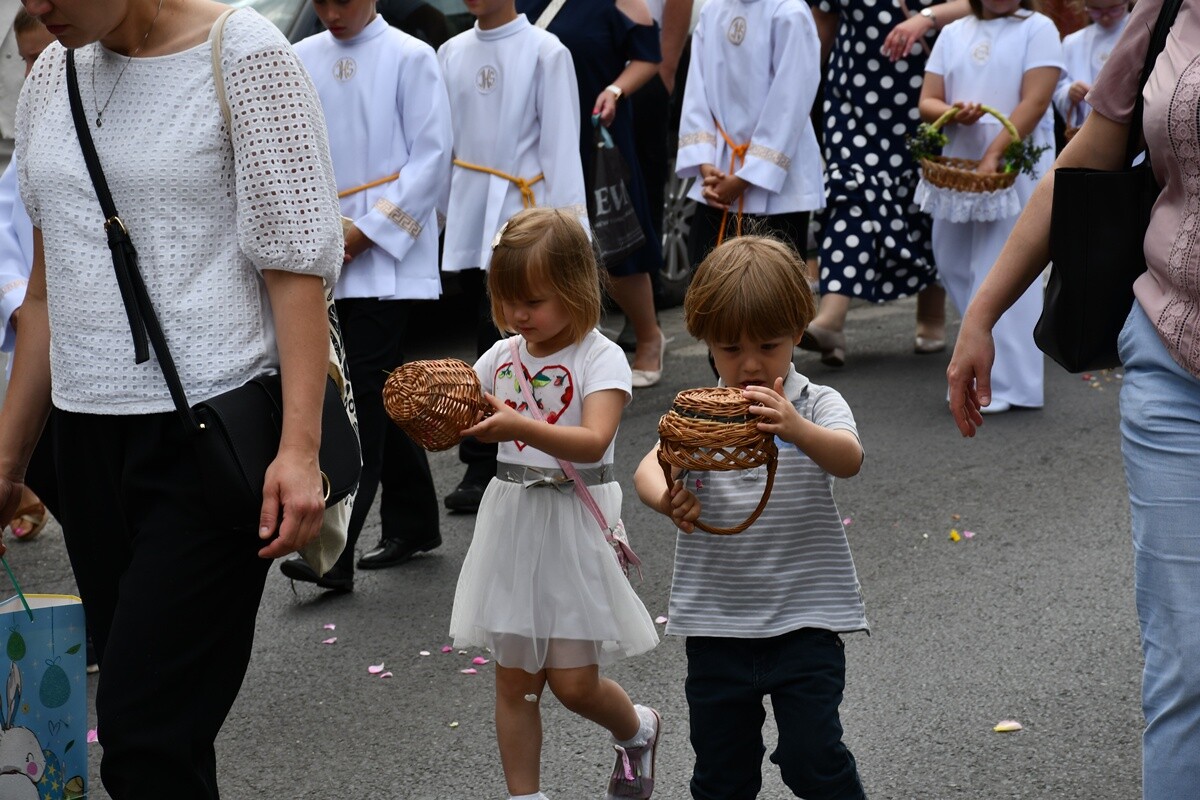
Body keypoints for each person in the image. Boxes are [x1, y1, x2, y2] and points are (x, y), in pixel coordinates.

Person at [3, 0, 343, 796]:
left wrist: (299, 450)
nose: (39, 7)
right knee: (166, 732)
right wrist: (10, 460)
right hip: (84, 444)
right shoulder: (54, 72)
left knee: (142, 731)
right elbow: (45, 297)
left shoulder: (243, 53)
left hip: (208, 437)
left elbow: (296, 268)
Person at [947, 0, 1200, 795]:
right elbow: (1092, 151)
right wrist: (983, 311)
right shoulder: (1167, 11)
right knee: (1187, 664)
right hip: (1173, 359)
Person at [634, 235, 867, 800]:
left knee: (813, 758)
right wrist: (668, 497)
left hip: (804, 624)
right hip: (717, 627)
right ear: (707, 343)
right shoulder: (698, 411)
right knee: (722, 772)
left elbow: (849, 457)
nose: (751, 364)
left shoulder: (815, 404)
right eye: (730, 348)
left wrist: (795, 428)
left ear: (798, 332)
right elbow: (648, 466)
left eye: (769, 344)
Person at [449, 208, 660, 800]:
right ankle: (526, 797)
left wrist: (518, 423)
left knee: (573, 685)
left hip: (573, 522)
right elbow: (462, 413)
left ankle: (637, 728)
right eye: (508, 299)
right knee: (515, 683)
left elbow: (593, 443)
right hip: (513, 524)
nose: (519, 315)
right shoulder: (498, 358)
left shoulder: (601, 358)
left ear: (574, 288)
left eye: (534, 300)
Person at [281, 0, 452, 591]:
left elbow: (431, 158)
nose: (330, 12)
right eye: (320, 1)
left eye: (342, 0)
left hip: (383, 258)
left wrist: (367, 231)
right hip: (320, 246)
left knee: (360, 395)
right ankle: (415, 522)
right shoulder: (299, 57)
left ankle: (336, 550)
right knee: (373, 391)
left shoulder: (412, 56)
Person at [437, 0, 587, 514]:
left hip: (526, 213)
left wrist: (570, 237)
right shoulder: (451, 51)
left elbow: (563, 147)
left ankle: (500, 454)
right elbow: (442, 142)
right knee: (487, 334)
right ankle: (485, 454)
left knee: (505, 332)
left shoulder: (546, 51)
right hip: (471, 199)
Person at [803, 0, 971, 368]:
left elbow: (983, 6)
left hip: (927, 94)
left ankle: (931, 316)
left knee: (925, 195)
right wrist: (793, 94)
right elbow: (820, 33)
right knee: (850, 191)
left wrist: (927, 19)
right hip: (852, 101)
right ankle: (831, 317)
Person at [919, 0, 1062, 413]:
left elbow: (1034, 102)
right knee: (952, 260)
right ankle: (975, 364)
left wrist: (994, 153)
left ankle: (1010, 383)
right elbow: (928, 99)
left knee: (1002, 266)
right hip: (958, 169)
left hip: (1010, 167)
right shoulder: (954, 31)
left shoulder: (1038, 29)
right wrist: (952, 113)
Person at [516, 0, 667, 389]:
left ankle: (648, 336)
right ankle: (571, 348)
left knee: (614, 240)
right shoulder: (516, 4)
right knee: (551, 243)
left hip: (597, 132)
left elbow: (649, 56)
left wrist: (617, 90)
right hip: (539, 137)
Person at [676, 0, 825, 269]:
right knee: (707, 286)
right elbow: (696, 90)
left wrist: (747, 176)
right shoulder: (712, 10)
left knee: (774, 291)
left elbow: (791, 101)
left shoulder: (789, 11)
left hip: (779, 191)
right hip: (717, 180)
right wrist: (706, 163)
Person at [0, 9, 53, 543]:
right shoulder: (35, 129)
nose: (37, 71)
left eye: (50, 54)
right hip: (42, 341)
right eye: (29, 59)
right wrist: (18, 297)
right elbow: (4, 222)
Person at [1051, 0, 1130, 136]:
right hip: (1085, 131)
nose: (1105, 17)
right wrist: (1069, 92)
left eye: (1114, 9)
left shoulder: (1143, 34)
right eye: (1096, 11)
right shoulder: (1072, 43)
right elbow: (1058, 87)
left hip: (1128, 127)